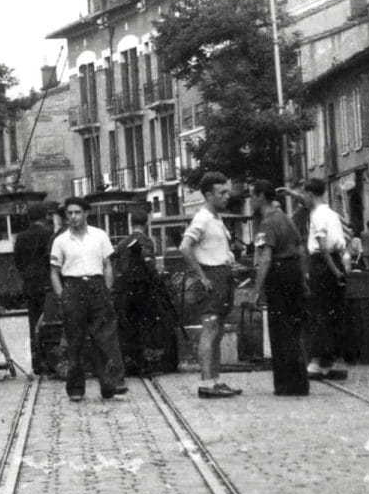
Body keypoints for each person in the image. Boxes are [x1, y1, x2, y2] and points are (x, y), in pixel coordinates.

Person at [49, 196, 126, 403]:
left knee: (106, 338)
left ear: (86, 214)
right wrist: (62, 297)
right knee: (75, 341)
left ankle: (111, 383)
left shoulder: (99, 236)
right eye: (70, 213)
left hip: (97, 286)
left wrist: (107, 290)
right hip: (73, 288)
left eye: (77, 213)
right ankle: (75, 388)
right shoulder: (61, 241)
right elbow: (54, 273)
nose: (73, 217)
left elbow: (108, 264)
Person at [179, 172, 241, 398]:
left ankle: (215, 380)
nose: (227, 196)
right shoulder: (202, 218)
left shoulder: (216, 218)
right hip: (212, 277)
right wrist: (202, 276)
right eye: (221, 193)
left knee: (218, 331)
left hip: (223, 275)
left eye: (227, 191)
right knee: (210, 329)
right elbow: (185, 247)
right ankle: (206, 382)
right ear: (207, 195)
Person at [249, 181, 309, 396]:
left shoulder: (267, 223)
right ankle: (300, 382)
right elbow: (301, 249)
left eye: (252, 196)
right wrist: (302, 279)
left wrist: (257, 290)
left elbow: (265, 258)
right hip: (293, 272)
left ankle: (285, 384)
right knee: (294, 329)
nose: (250, 200)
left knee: (279, 330)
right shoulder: (286, 218)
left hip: (279, 273)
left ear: (261, 197)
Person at [112, 206, 180, 376]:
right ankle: (146, 364)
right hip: (143, 289)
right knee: (147, 325)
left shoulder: (122, 243)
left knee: (130, 326)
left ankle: (132, 362)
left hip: (126, 291)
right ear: (147, 222)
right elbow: (149, 264)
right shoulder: (147, 241)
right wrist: (157, 277)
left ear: (130, 222)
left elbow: (118, 267)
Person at [301, 178, 351, 380]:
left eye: (304, 195)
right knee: (335, 312)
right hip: (336, 260)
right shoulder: (331, 213)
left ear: (310, 195)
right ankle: (335, 361)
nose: (303, 199)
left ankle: (318, 361)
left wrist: (333, 270)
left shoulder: (317, 216)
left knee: (318, 311)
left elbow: (321, 244)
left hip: (323, 264)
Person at [12, 204, 57, 361]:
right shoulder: (49, 235)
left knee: (33, 319)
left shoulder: (21, 237)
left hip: (30, 284)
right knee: (49, 319)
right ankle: (49, 356)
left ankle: (36, 359)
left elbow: (18, 262)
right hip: (47, 282)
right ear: (45, 217)